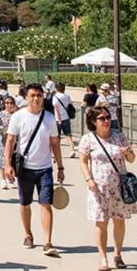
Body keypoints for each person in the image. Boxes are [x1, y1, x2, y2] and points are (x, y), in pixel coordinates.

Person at [4, 83, 64, 256]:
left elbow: (55, 143)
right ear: (26, 97)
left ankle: (47, 241)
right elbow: (10, 140)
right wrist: (7, 164)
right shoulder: (18, 116)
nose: (36, 99)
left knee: (46, 204)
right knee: (25, 203)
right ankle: (28, 235)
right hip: (25, 168)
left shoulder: (49, 118)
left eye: (39, 95)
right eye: (32, 95)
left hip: (45, 168)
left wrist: (60, 166)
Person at [78, 105, 136, 271]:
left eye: (108, 117)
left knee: (119, 221)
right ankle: (103, 257)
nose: (106, 121)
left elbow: (131, 159)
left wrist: (127, 152)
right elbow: (83, 161)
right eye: (102, 118)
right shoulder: (88, 139)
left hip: (119, 188)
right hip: (98, 188)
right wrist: (88, 178)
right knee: (101, 222)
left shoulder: (119, 136)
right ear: (93, 122)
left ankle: (117, 254)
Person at [0, 95, 18, 190]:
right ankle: (3, 179)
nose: (9, 105)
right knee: (2, 160)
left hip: (14, 141)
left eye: (11, 103)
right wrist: (6, 129)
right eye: (7, 103)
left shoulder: (16, 115)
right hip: (2, 141)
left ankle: (11, 179)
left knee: (11, 160)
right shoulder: (0, 114)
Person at [51, 83, 77, 158]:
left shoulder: (55, 97)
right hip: (66, 118)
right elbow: (69, 105)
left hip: (58, 119)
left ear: (56, 88)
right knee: (68, 135)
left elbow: (56, 108)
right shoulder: (67, 96)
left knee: (57, 137)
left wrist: (59, 119)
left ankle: (55, 152)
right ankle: (72, 150)